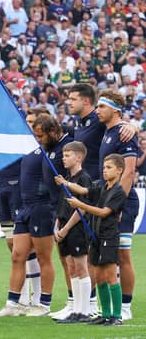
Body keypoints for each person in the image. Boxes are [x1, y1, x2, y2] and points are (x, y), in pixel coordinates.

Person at [0, 108, 52, 317]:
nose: (28, 124)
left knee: (40, 254)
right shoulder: (17, 143)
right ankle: (15, 302)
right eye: (26, 121)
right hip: (15, 202)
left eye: (32, 121)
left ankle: (41, 302)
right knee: (16, 252)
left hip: (36, 204)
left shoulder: (46, 147)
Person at [62, 154, 127, 326]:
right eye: (104, 167)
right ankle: (105, 314)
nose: (104, 171)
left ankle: (117, 315)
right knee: (98, 276)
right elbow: (84, 190)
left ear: (119, 170)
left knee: (111, 275)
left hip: (108, 237)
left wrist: (80, 205)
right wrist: (66, 183)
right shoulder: (101, 186)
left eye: (109, 167)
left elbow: (104, 212)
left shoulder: (118, 192)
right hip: (95, 236)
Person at [96, 90, 138, 321]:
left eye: (101, 107)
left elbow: (129, 171)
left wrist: (118, 205)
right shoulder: (107, 132)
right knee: (108, 255)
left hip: (122, 202)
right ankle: (109, 307)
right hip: (108, 201)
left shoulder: (123, 133)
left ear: (115, 110)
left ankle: (126, 306)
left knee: (123, 255)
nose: (97, 111)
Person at [53, 141, 92, 323]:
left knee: (81, 267)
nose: (63, 158)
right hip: (64, 229)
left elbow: (82, 208)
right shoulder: (66, 178)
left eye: (67, 155)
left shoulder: (83, 179)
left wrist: (66, 228)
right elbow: (63, 205)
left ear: (78, 157)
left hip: (76, 229)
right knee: (71, 268)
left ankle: (84, 311)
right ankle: (76, 310)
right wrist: (57, 226)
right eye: (63, 155)